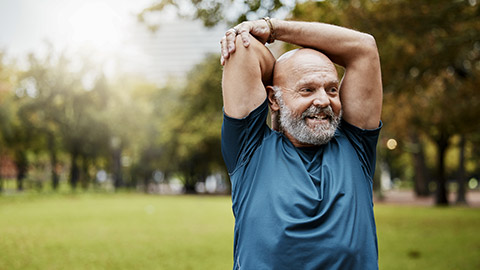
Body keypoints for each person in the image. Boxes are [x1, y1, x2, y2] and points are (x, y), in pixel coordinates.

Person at [220, 18, 383, 270]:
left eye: (331, 89)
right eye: (307, 90)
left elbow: (364, 47)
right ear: (273, 98)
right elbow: (243, 49)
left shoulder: (355, 144)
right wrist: (283, 78)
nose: (323, 101)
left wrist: (274, 28)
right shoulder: (250, 150)